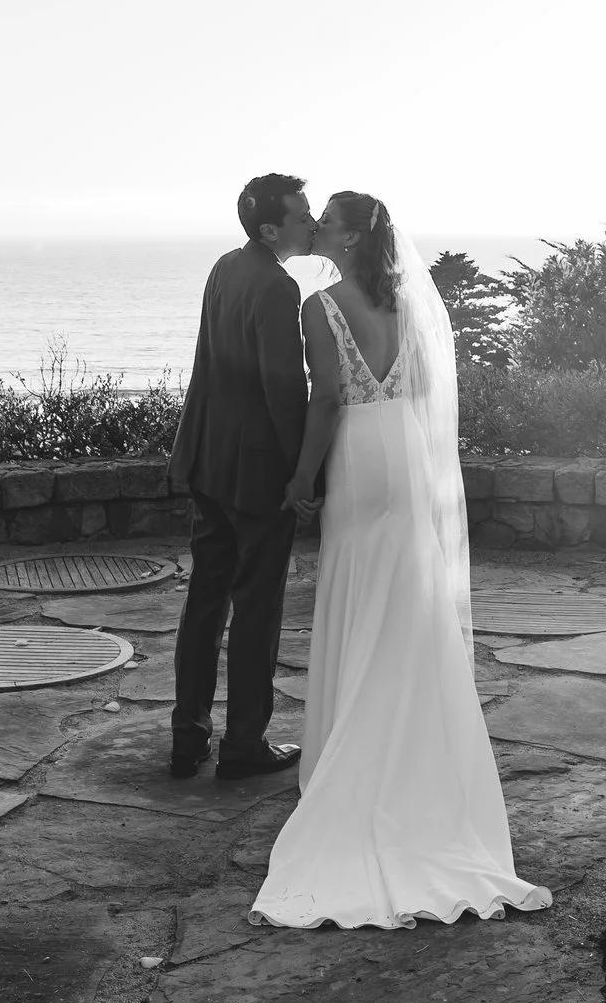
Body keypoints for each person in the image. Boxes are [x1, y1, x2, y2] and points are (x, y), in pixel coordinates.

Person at [250, 191, 550, 928]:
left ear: (350, 240)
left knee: (358, 590)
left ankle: (353, 753)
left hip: (357, 454)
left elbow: (325, 402)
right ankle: (423, 760)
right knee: (411, 598)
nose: (316, 226)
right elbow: (419, 393)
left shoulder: (321, 306)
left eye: (328, 221)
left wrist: (300, 478)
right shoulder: (410, 305)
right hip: (409, 458)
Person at [167, 172, 314, 781]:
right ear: (272, 228)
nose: (312, 222)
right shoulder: (279, 288)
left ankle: (188, 736)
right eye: (304, 214)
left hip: (208, 459)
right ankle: (245, 744)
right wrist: (306, 471)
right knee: (256, 611)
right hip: (256, 474)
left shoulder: (224, 267)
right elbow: (285, 387)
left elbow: (210, 362)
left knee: (205, 601)